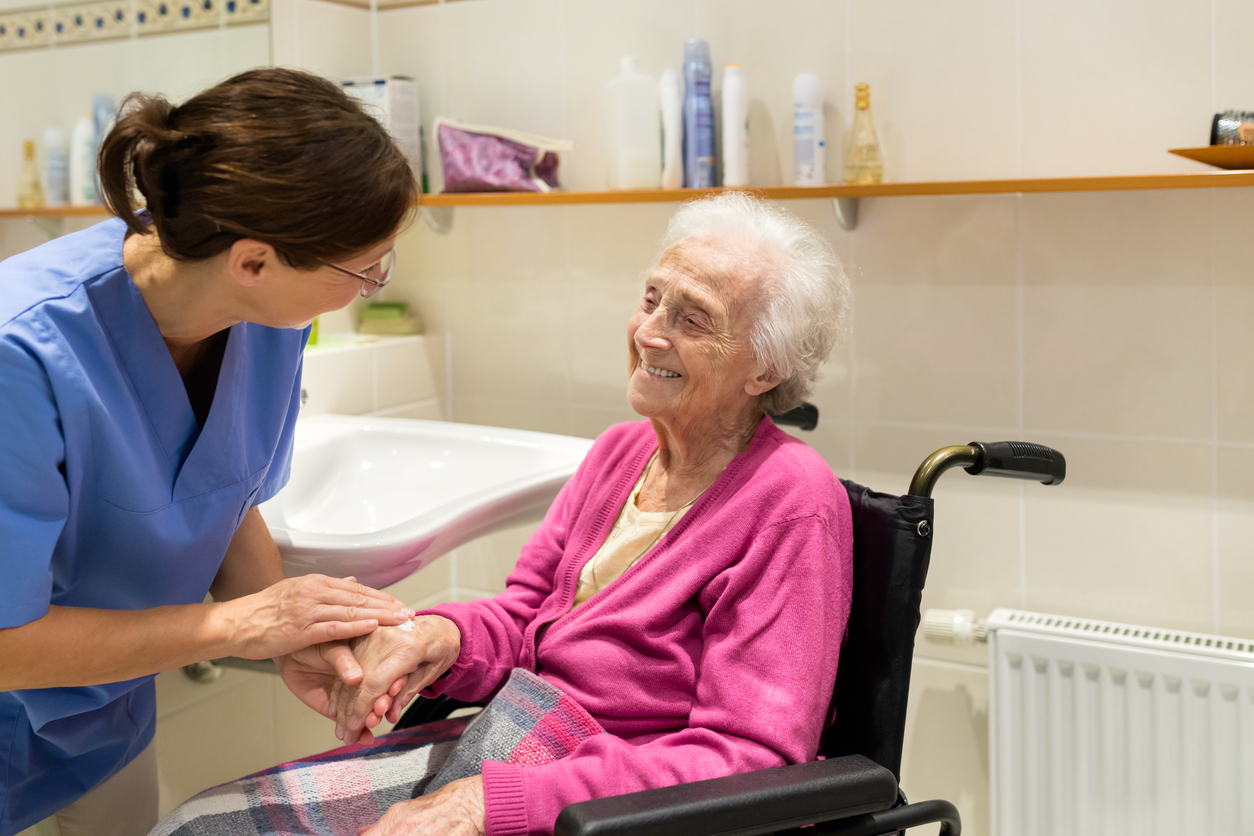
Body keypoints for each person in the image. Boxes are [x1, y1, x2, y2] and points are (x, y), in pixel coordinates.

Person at [157, 191, 854, 836]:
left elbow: (748, 756)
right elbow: (525, 618)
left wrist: (482, 804)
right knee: (200, 825)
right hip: (519, 737)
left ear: (765, 368)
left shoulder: (791, 501)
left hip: (625, 803)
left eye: (692, 317)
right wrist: (436, 636)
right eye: (650, 299)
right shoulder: (621, 453)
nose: (650, 332)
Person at [0, 68, 422, 836]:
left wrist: (293, 642)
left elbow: (221, 492)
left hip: (108, 716)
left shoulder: (269, 321)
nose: (369, 286)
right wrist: (240, 629)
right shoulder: (20, 352)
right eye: (365, 269)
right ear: (254, 260)